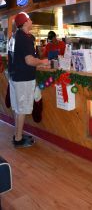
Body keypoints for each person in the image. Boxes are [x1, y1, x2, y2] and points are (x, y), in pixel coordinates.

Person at [8, 12, 49, 148]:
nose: (31, 21)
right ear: (25, 23)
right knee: (21, 109)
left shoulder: (13, 37)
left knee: (17, 108)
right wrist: (43, 61)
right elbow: (29, 60)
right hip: (24, 78)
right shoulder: (25, 39)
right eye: (30, 19)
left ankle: (17, 134)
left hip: (14, 77)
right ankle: (18, 139)